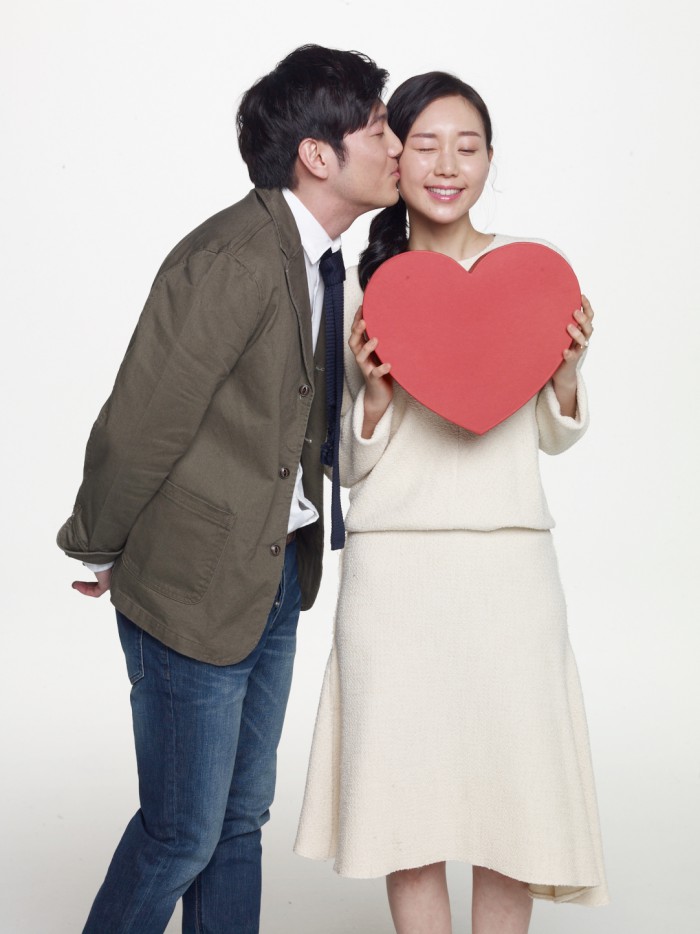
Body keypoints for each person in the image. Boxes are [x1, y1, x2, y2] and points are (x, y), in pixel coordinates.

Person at [56, 44, 402, 934]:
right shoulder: (238, 259)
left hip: (270, 570)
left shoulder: (322, 260)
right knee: (181, 832)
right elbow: (144, 417)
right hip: (192, 584)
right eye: (377, 128)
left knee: (239, 822)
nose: (397, 145)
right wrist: (100, 542)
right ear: (317, 155)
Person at [294, 72, 608, 933]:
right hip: (396, 575)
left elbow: (551, 436)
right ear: (394, 159)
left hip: (511, 568)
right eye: (425, 145)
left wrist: (567, 376)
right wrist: (375, 399)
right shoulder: (360, 288)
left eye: (466, 147)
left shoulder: (534, 275)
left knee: (516, 802)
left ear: (489, 160)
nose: (446, 166)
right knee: (408, 808)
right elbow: (346, 466)